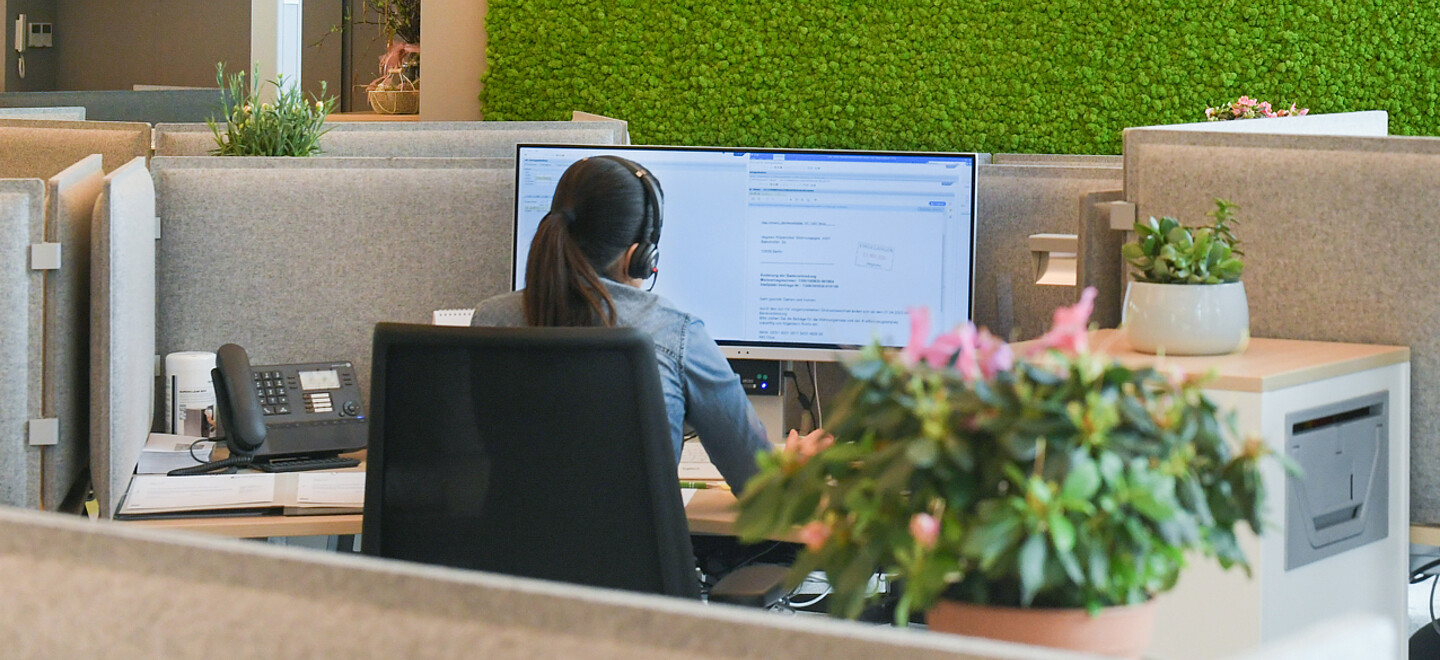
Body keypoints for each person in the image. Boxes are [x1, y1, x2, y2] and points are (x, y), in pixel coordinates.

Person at [473, 155, 825, 493]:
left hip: (502, 552)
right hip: (625, 557)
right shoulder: (674, 333)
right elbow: (758, 488)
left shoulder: (490, 321)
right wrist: (793, 465)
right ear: (640, 258)